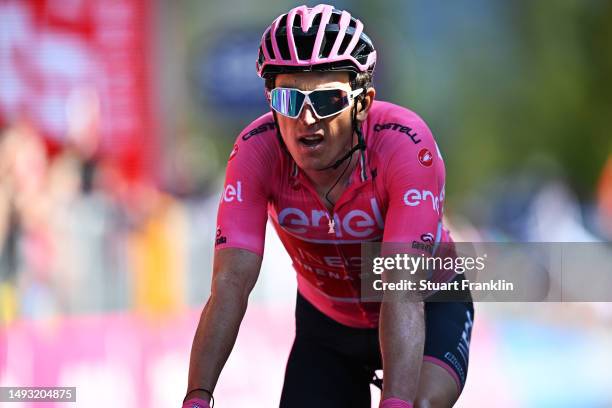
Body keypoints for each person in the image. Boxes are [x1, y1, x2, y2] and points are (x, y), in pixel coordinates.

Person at [184, 4, 474, 408]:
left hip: (427, 304)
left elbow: (401, 290)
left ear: (362, 102)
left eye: (327, 99)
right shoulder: (255, 152)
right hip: (327, 327)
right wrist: (198, 397)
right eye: (289, 99)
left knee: (420, 405)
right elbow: (230, 285)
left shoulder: (404, 145)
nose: (306, 118)